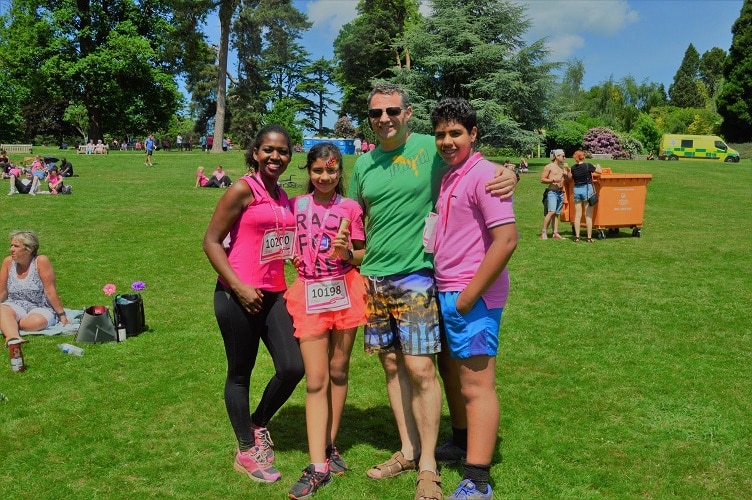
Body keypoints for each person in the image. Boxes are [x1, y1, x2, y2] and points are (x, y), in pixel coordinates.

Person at [348, 83, 517, 500]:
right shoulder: (366, 164)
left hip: (428, 281)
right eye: (376, 113)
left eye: (392, 111)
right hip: (380, 278)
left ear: (408, 113)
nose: (384, 118)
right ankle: (413, 450)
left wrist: (509, 171)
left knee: (429, 371)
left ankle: (447, 470)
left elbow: (491, 193)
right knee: (398, 367)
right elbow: (352, 215)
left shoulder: (435, 150)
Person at [203, 125, 304, 485]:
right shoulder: (242, 189)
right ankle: (246, 450)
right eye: (268, 150)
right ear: (255, 153)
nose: (275, 157)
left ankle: (258, 423)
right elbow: (211, 241)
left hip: (275, 292)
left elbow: (283, 242)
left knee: (293, 367)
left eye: (283, 151)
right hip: (237, 295)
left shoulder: (282, 197)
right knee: (240, 373)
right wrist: (238, 287)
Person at [430, 98, 518, 500]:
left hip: (472, 297)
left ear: (473, 134)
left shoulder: (486, 175)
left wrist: (467, 297)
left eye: (456, 133)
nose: (448, 141)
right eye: (441, 134)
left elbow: (506, 241)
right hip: (448, 290)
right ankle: (462, 443)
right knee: (458, 379)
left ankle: (478, 480)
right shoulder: (452, 175)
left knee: (477, 386)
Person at [285, 142, 367, 499]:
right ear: (308, 171)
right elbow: (285, 240)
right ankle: (317, 464)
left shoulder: (351, 208)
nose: (324, 177)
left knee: (338, 371)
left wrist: (346, 251)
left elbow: (362, 253)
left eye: (331, 171)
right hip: (310, 294)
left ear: (339, 172)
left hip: (345, 293)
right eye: (318, 170)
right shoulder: (296, 206)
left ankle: (330, 444)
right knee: (316, 379)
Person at [1, 230, 70, 346]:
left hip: (40, 306)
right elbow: (2, 291)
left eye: (16, 246)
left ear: (30, 249)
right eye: (11, 245)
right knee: (1, 309)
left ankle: (7, 323)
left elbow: (50, 291)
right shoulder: (8, 262)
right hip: (15, 304)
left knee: (34, 323)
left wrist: (62, 315)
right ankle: (13, 337)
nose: (11, 249)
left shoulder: (41, 261)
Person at [570, 150, 603, 243]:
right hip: (587, 190)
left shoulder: (573, 168)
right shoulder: (588, 166)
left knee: (577, 215)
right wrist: (597, 165)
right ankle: (589, 238)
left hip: (577, 189)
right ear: (583, 157)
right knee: (588, 215)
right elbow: (599, 172)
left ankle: (577, 237)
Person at [540, 149, 570, 240]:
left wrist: (568, 171)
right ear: (557, 156)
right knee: (551, 212)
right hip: (552, 192)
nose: (564, 158)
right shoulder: (549, 167)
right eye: (563, 156)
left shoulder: (562, 168)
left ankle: (555, 233)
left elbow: (569, 180)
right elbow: (542, 179)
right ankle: (543, 232)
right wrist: (553, 180)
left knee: (556, 214)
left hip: (560, 193)